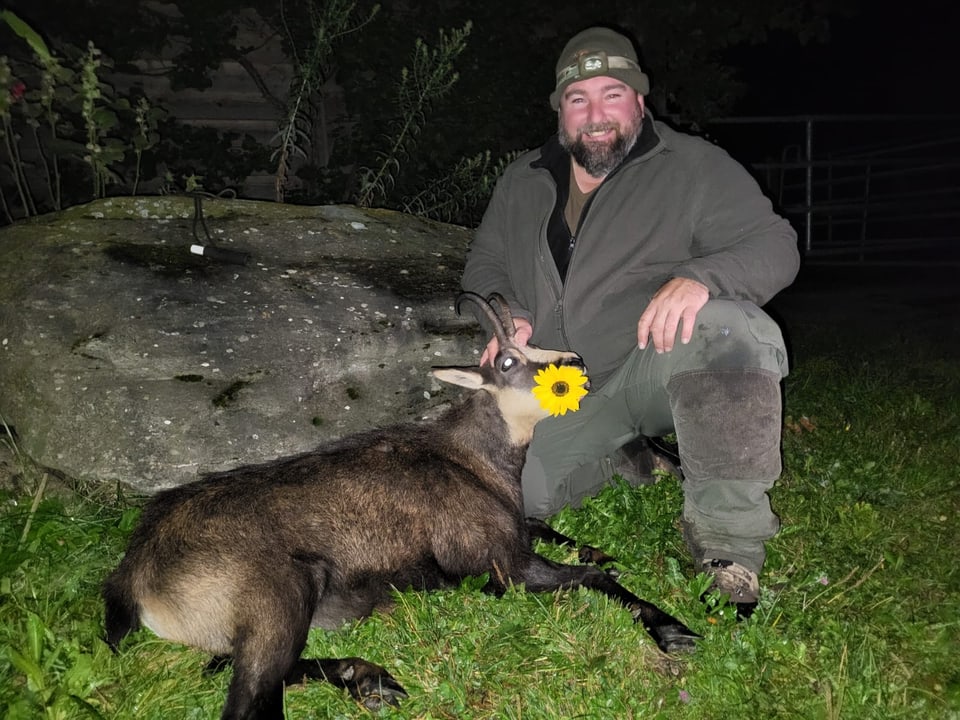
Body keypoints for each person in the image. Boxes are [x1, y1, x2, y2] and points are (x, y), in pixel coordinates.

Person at [461, 26, 800, 615]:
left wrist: (703, 278)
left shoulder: (692, 167)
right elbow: (484, 265)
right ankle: (628, 459)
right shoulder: (523, 180)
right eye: (577, 99)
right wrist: (507, 314)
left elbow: (775, 245)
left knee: (733, 330)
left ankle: (729, 547)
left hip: (649, 368)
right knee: (516, 499)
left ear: (639, 100)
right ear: (560, 111)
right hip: (553, 388)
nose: (595, 115)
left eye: (611, 94)